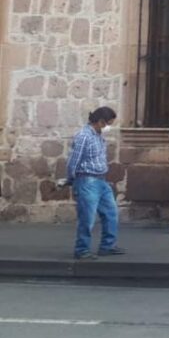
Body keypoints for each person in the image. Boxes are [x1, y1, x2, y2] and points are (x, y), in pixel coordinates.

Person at [66, 106, 124, 260]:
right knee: (87, 217)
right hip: (87, 180)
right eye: (108, 124)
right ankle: (81, 249)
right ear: (100, 121)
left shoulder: (98, 135)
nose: (109, 127)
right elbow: (74, 161)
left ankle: (108, 245)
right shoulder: (84, 136)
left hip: (101, 179)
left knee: (111, 213)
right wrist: (72, 179)